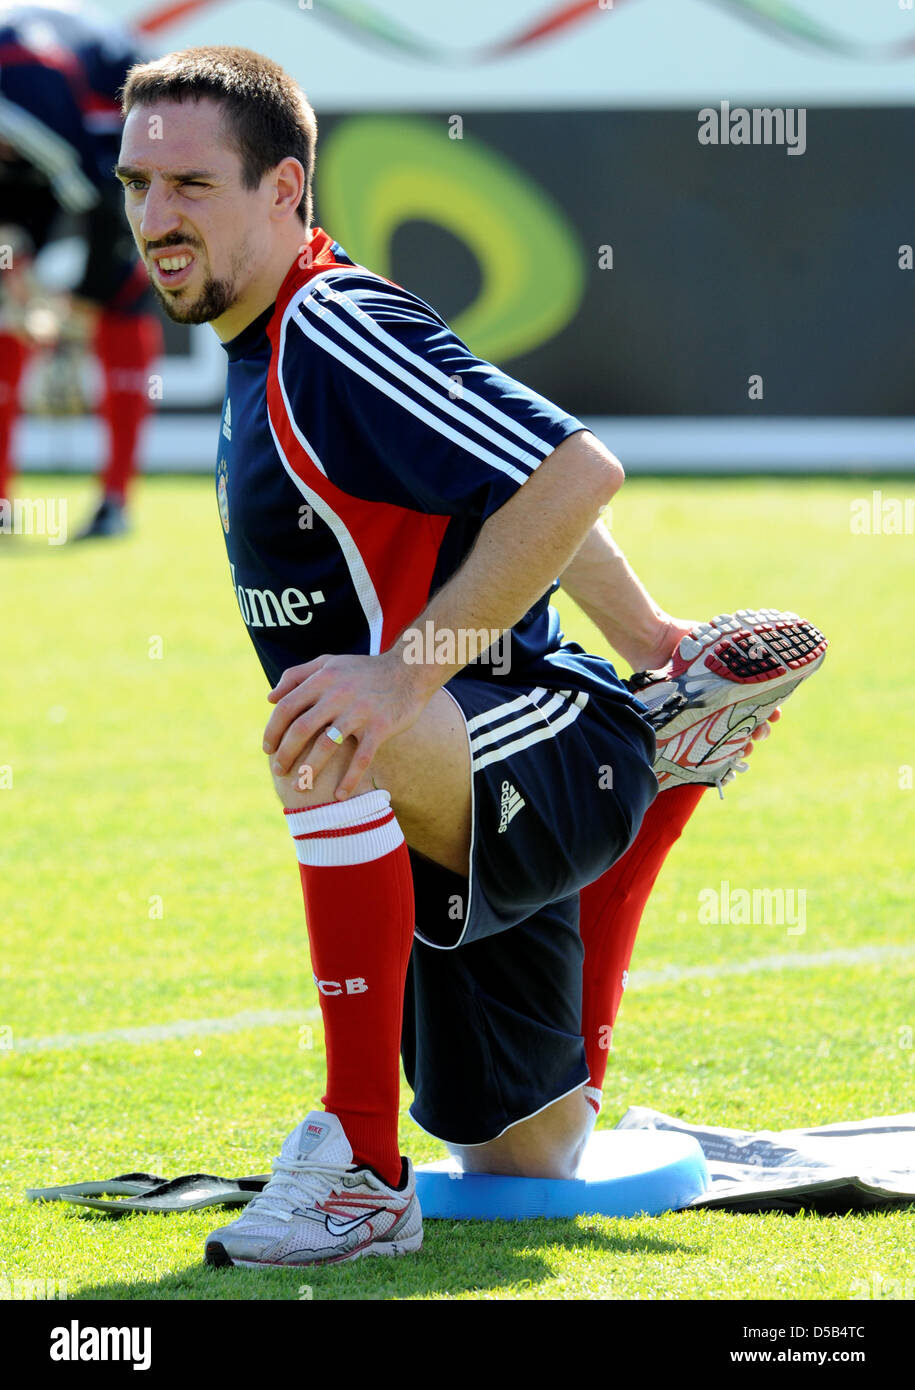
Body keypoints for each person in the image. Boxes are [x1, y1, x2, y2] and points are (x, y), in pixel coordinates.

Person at [114, 46, 827, 1270]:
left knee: (324, 725)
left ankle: (359, 1171)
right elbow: (513, 478)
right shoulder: (259, 338)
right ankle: (666, 755)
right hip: (467, 779)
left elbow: (573, 470)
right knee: (524, 1158)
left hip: (514, 740)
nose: (154, 216)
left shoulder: (330, 328)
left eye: (192, 184)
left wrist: (402, 678)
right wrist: (655, 642)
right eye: (136, 184)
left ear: (286, 189)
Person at [0, 0, 163, 538]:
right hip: (38, 147)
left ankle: (115, 501)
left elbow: (101, 203)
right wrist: (18, 288)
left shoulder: (39, 99)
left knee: (121, 290)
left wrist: (79, 307)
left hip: (98, 125)